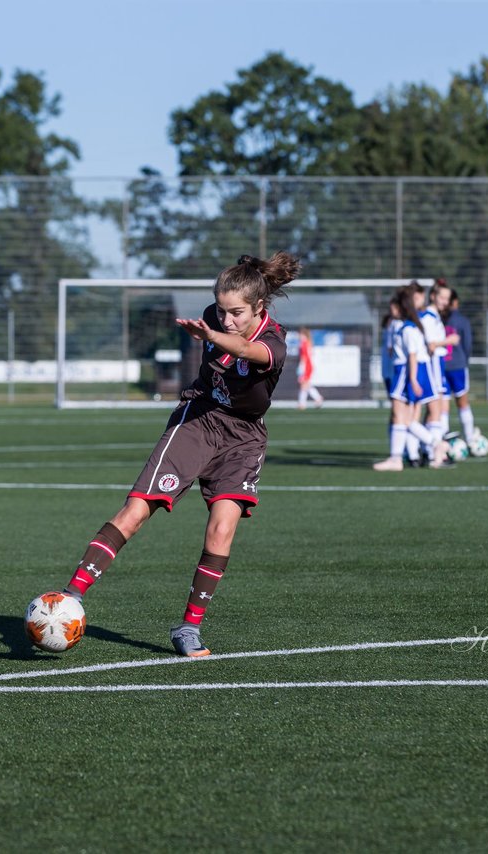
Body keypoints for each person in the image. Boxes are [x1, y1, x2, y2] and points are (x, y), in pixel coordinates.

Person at [62, 252, 300, 657]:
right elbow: (228, 335)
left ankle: (188, 628)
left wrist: (212, 337)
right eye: (221, 310)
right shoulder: (216, 314)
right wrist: (215, 330)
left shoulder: (273, 341)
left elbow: (247, 351)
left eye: (237, 312)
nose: (226, 319)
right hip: (199, 420)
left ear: (259, 307)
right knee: (138, 509)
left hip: (243, 438)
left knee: (222, 527)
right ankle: (71, 597)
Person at [372, 289, 443, 471]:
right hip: (403, 372)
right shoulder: (406, 326)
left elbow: (412, 356)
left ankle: (431, 445)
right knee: (402, 418)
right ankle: (431, 445)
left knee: (401, 415)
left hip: (405, 372)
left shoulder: (409, 329)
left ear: (401, 307)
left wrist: (412, 379)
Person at [410, 280, 459, 464]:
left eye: (447, 298)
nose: (445, 302)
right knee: (434, 409)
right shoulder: (429, 318)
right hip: (432, 364)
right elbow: (430, 345)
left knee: (436, 410)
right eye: (442, 297)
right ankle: (433, 453)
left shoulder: (435, 317)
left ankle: (427, 451)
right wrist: (449, 341)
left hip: (437, 365)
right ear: (433, 296)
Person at [442, 290, 484, 451]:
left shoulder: (439, 319)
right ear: (455, 302)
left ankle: (444, 441)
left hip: (441, 367)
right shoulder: (462, 320)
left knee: (443, 406)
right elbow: (467, 345)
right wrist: (464, 361)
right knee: (463, 403)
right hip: (458, 366)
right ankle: (469, 439)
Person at [295, 327, 325, 409]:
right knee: (305, 385)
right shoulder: (308, 343)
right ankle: (316, 399)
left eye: (300, 335)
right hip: (308, 366)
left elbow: (304, 357)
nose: (299, 336)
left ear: (303, 335)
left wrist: (301, 367)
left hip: (306, 366)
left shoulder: (303, 343)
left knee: (304, 384)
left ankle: (303, 403)